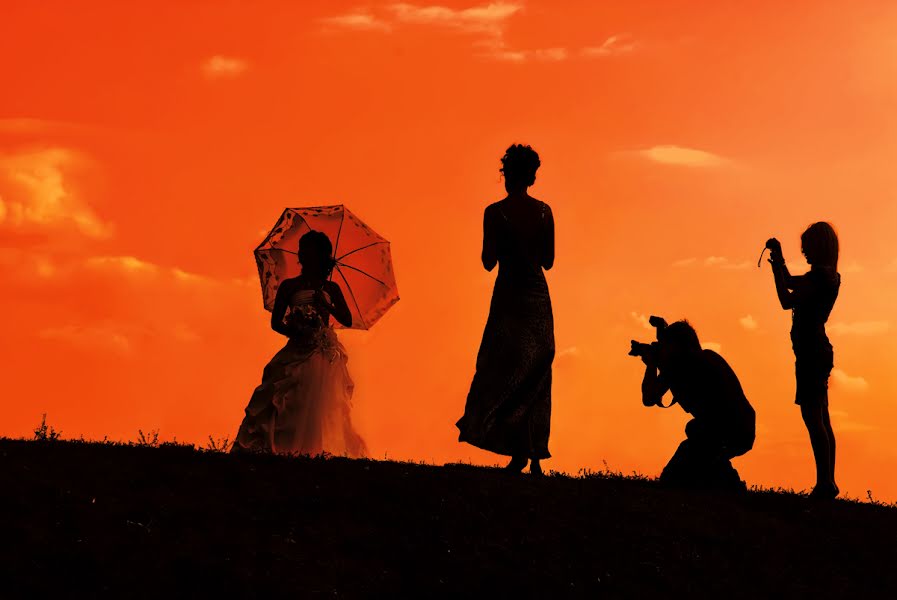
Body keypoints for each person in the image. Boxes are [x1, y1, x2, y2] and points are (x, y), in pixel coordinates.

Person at [456, 144, 556, 476]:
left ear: (506, 175)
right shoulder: (544, 212)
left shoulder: (494, 212)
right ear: (531, 176)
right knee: (536, 369)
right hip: (537, 297)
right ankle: (534, 453)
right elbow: (548, 261)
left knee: (502, 366)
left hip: (509, 296)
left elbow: (488, 262)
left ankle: (512, 446)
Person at [231, 230, 367, 457]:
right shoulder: (288, 286)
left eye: (309, 249)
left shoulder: (331, 288)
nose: (303, 253)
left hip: (321, 353)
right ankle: (279, 451)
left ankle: (310, 452)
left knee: (313, 405)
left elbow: (347, 319)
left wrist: (327, 306)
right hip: (296, 347)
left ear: (320, 256)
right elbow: (276, 322)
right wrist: (296, 330)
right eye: (302, 249)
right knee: (282, 399)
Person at [766, 223, 841, 499]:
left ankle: (824, 484)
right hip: (817, 351)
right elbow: (790, 282)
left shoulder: (819, 279)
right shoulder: (828, 277)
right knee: (822, 417)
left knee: (813, 418)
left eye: (807, 246)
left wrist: (777, 265)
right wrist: (779, 262)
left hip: (811, 354)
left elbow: (786, 299)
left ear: (818, 247)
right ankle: (828, 482)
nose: (804, 251)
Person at [636, 319, 755, 490]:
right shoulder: (708, 357)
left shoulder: (681, 365)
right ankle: (722, 474)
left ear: (677, 346)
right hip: (740, 430)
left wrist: (652, 366)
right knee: (699, 457)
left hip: (722, 431)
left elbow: (649, 398)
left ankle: (728, 482)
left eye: (666, 346)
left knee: (672, 479)